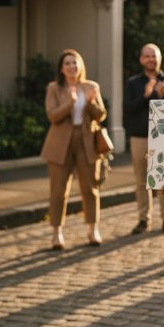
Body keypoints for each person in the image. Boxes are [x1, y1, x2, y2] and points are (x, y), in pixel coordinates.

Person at [40, 49, 107, 250]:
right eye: (67, 63)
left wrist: (90, 102)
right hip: (60, 143)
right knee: (58, 191)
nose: (71, 66)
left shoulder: (91, 86)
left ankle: (93, 229)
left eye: (75, 62)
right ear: (61, 68)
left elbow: (101, 115)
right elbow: (52, 116)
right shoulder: (54, 88)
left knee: (90, 189)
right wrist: (70, 102)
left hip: (86, 142)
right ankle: (56, 233)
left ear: (81, 66)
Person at [125, 43, 164, 234]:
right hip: (140, 137)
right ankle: (143, 220)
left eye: (154, 56)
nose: (151, 59)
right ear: (142, 59)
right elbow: (129, 109)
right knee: (142, 182)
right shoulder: (133, 83)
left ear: (159, 58)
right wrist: (146, 95)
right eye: (147, 56)